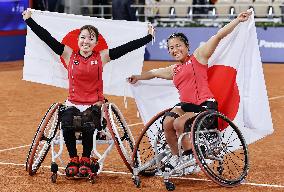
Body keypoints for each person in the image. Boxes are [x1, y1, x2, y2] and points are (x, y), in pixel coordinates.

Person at [22, 9, 154, 177]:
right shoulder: (69, 54)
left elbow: (127, 48)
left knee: (88, 124)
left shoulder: (102, 56)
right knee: (67, 123)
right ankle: (73, 159)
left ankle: (85, 158)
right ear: (78, 40)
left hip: (94, 103)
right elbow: (46, 38)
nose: (86, 41)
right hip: (73, 102)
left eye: (91, 38)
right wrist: (29, 21)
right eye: (83, 37)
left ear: (96, 42)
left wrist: (148, 38)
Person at [128, 11, 252, 168]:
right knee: (167, 123)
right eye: (171, 48)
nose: (175, 50)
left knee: (179, 123)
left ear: (187, 47)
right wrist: (137, 77)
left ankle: (189, 154)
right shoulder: (174, 69)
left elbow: (218, 36)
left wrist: (237, 20)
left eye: (178, 46)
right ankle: (176, 157)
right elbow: (153, 73)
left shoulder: (198, 57)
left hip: (205, 106)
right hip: (187, 107)